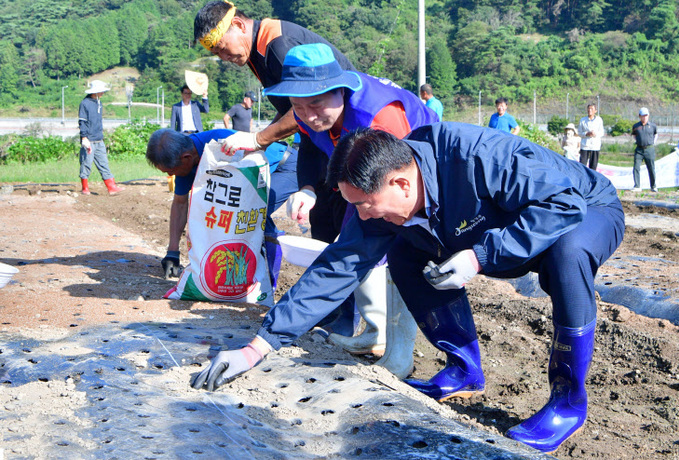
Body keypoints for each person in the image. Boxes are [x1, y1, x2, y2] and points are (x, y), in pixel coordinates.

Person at [190, 123, 625, 455]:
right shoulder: (386, 195)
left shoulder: (479, 157)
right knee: (404, 254)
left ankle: (568, 401)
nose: (363, 214)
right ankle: (463, 368)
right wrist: (258, 347)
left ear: (400, 183)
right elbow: (338, 266)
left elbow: (563, 204)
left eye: (364, 204)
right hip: (497, 227)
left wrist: (480, 256)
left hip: (584, 209)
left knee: (568, 256)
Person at [262, 43, 438, 367]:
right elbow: (311, 147)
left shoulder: (380, 119)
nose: (309, 116)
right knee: (352, 241)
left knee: (400, 245)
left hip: (414, 171)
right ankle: (374, 332)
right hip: (360, 168)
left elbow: (403, 177)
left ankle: (400, 355)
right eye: (298, 108)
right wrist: (307, 189)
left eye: (315, 104)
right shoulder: (308, 112)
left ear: (339, 90)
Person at [194, 1, 355, 156]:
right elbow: (291, 108)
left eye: (222, 48)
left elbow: (307, 109)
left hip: (352, 130)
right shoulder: (255, 51)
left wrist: (259, 139)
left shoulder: (277, 46)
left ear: (238, 25)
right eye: (216, 54)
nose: (224, 57)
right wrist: (260, 143)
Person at [145, 128, 298, 289]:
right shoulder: (186, 165)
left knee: (254, 213)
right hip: (255, 176)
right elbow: (180, 203)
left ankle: (267, 283)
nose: (171, 175)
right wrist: (172, 252)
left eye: (170, 171)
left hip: (284, 167)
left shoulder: (223, 144)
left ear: (186, 158)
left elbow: (246, 186)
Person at [78, 80, 125, 196]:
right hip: (89, 140)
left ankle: (111, 187)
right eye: (101, 90)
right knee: (86, 163)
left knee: (104, 163)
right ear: (95, 91)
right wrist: (84, 138)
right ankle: (85, 188)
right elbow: (82, 122)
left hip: (99, 139)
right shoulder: (85, 103)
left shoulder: (99, 103)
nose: (103, 92)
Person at [631, 107, 658, 192]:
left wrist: (653, 142)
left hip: (649, 149)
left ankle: (653, 186)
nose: (644, 117)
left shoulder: (653, 126)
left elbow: (656, 134)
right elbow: (634, 135)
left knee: (651, 168)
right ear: (640, 116)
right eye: (643, 116)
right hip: (639, 149)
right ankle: (637, 186)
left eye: (646, 116)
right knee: (636, 167)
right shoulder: (636, 126)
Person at [577, 104, 604, 170]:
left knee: (593, 165)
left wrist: (595, 134)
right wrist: (586, 133)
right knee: (582, 165)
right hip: (585, 145)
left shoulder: (599, 120)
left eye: (591, 109)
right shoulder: (583, 120)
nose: (589, 110)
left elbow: (601, 132)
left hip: (595, 146)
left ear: (595, 111)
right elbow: (579, 133)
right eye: (588, 108)